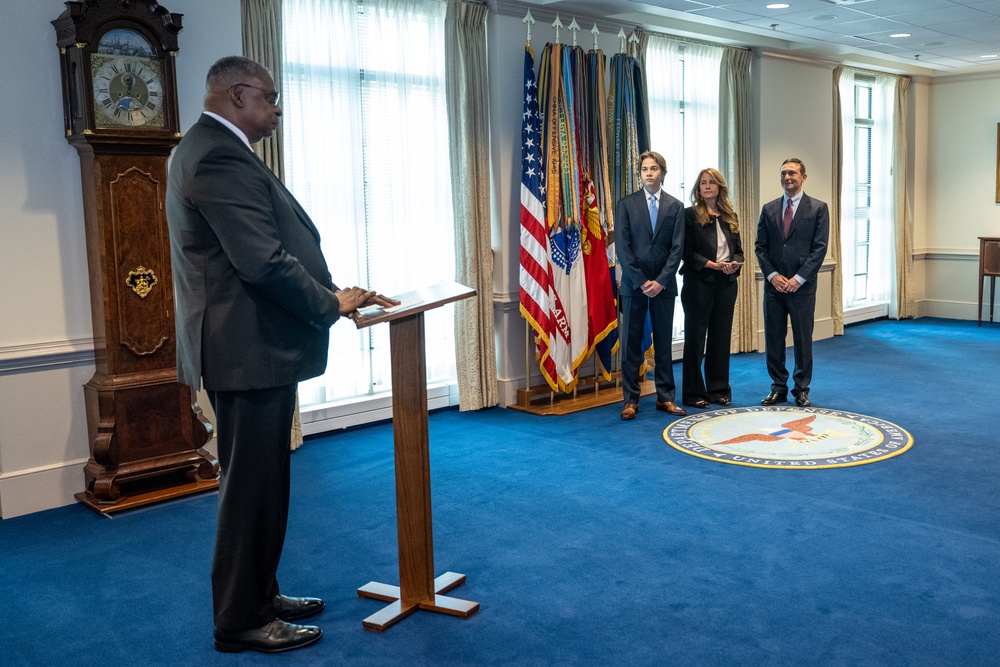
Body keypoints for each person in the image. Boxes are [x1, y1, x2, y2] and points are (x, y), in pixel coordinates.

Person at [166, 56, 396, 654]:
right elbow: (262, 260)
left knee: (262, 483)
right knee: (249, 488)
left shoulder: (211, 147)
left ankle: (260, 593)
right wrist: (331, 303)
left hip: (252, 348)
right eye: (271, 98)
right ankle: (240, 619)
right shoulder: (216, 152)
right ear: (239, 95)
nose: (277, 110)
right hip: (247, 350)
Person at [615, 150, 686, 420]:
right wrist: (642, 281)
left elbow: (677, 249)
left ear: (662, 173)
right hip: (634, 287)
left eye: (653, 168)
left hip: (664, 287)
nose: (648, 173)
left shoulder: (675, 206)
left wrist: (661, 281)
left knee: (665, 344)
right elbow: (623, 248)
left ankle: (665, 398)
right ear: (640, 173)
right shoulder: (626, 204)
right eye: (644, 168)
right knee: (631, 345)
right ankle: (630, 400)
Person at [754, 158, 829, 407]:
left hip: (802, 288)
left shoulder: (818, 208)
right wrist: (773, 276)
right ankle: (778, 387)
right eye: (784, 173)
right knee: (774, 339)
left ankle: (801, 388)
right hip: (774, 287)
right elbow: (760, 247)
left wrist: (798, 279)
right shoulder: (769, 208)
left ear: (803, 177)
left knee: (802, 340)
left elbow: (819, 250)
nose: (788, 177)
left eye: (793, 173)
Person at [680, 168, 744, 409]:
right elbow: (685, 251)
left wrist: (733, 264)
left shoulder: (730, 216)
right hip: (699, 282)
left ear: (719, 187)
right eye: (703, 183)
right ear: (698, 188)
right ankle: (693, 393)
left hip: (726, 284)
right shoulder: (689, 215)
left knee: (720, 337)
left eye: (711, 183)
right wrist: (710, 264)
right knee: (695, 339)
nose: (707, 186)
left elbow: (739, 250)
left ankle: (718, 390)